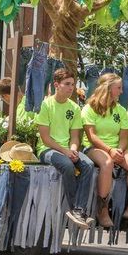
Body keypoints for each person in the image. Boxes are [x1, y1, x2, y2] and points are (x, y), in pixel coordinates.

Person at [36, 68, 95, 229]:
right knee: (68, 166)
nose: (71, 88)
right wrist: (66, 152)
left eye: (73, 84)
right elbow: (45, 138)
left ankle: (79, 209)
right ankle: (74, 207)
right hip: (47, 149)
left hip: (68, 149)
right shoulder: (46, 104)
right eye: (67, 84)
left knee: (88, 165)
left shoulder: (75, 107)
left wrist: (74, 149)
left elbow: (75, 136)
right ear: (56, 85)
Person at [82, 73, 128, 228]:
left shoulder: (120, 110)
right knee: (107, 163)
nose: (122, 91)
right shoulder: (89, 108)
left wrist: (120, 150)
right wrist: (110, 150)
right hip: (94, 148)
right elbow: (92, 136)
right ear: (108, 89)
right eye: (119, 88)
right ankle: (102, 209)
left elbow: (123, 137)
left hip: (116, 148)